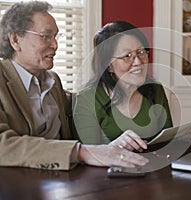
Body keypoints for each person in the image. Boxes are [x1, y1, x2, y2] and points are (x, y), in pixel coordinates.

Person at [0, 1, 148, 170]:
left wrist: (114, 145)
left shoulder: (52, 81)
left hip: (61, 182)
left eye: (56, 36)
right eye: (46, 36)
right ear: (15, 40)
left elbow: (85, 105)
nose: (55, 45)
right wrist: (81, 152)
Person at [73, 21, 173, 152]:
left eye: (141, 52)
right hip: (106, 172)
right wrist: (114, 147)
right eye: (127, 56)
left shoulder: (156, 89)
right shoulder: (87, 99)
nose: (138, 62)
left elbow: (168, 144)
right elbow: (86, 156)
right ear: (108, 65)